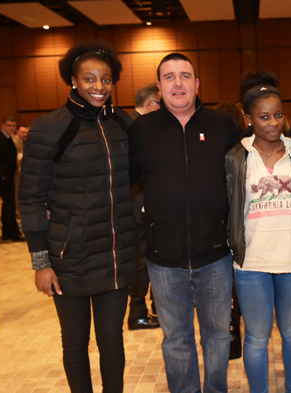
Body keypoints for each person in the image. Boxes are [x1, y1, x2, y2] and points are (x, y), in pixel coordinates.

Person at [18, 40, 137, 393]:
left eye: (105, 79)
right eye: (89, 79)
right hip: (68, 259)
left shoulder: (123, 124)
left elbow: (135, 180)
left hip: (115, 256)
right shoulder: (49, 127)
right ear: (72, 80)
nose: (98, 87)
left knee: (112, 341)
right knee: (75, 344)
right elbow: (30, 199)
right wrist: (41, 263)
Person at [128, 53, 239, 393]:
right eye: (170, 77)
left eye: (185, 76)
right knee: (176, 340)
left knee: (218, 336)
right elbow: (126, 184)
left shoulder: (222, 125)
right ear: (159, 87)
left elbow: (240, 183)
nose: (178, 83)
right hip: (163, 260)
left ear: (197, 83)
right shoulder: (142, 130)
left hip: (216, 257)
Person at [225, 71, 291, 393]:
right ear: (248, 118)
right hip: (252, 263)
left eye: (278, 115)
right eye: (263, 117)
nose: (273, 123)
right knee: (257, 336)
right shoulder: (237, 158)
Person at [127, 82, 160, 331]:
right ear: (149, 104)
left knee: (145, 258)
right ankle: (137, 313)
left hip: (140, 204)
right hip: (137, 205)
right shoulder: (135, 128)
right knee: (140, 260)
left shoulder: (134, 125)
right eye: (160, 104)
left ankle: (150, 307)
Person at [0, 116, 25, 241]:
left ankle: (6, 232)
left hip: (9, 175)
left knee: (8, 205)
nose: (11, 128)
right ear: (3, 125)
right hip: (4, 177)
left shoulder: (7, 138)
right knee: (10, 205)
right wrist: (2, 175)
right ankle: (13, 233)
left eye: (13, 126)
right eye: (9, 125)